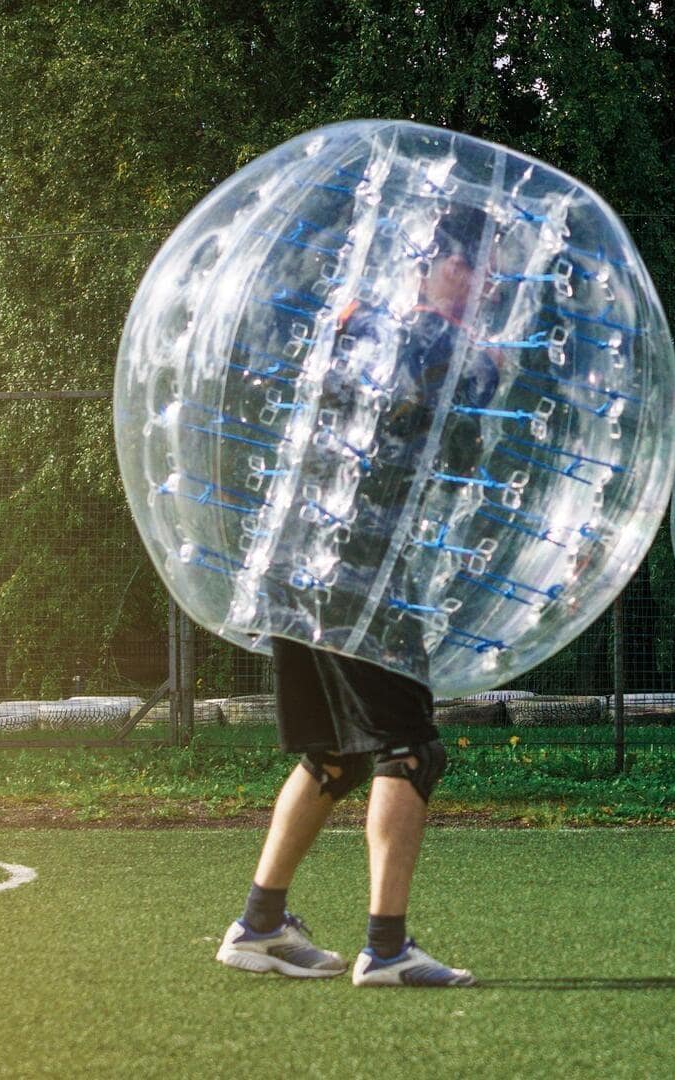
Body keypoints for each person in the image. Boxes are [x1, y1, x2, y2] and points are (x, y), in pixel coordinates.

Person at [216, 215, 498, 989]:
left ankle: (261, 924)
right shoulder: (435, 345)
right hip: (357, 568)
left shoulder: (357, 325)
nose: (485, 288)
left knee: (335, 753)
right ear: (437, 265)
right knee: (410, 749)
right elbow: (462, 451)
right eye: (475, 270)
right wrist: (485, 374)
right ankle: (387, 947)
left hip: (299, 558)